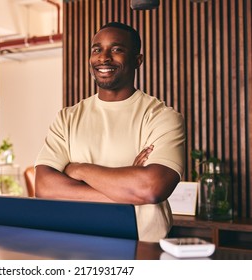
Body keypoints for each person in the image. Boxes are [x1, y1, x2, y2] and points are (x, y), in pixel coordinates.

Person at [34, 22, 185, 242]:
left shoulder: (161, 117)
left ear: (137, 60)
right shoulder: (67, 117)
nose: (104, 58)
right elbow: (44, 187)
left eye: (116, 49)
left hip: (142, 249)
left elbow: (151, 188)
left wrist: (78, 170)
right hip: (76, 246)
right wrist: (125, 191)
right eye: (97, 49)